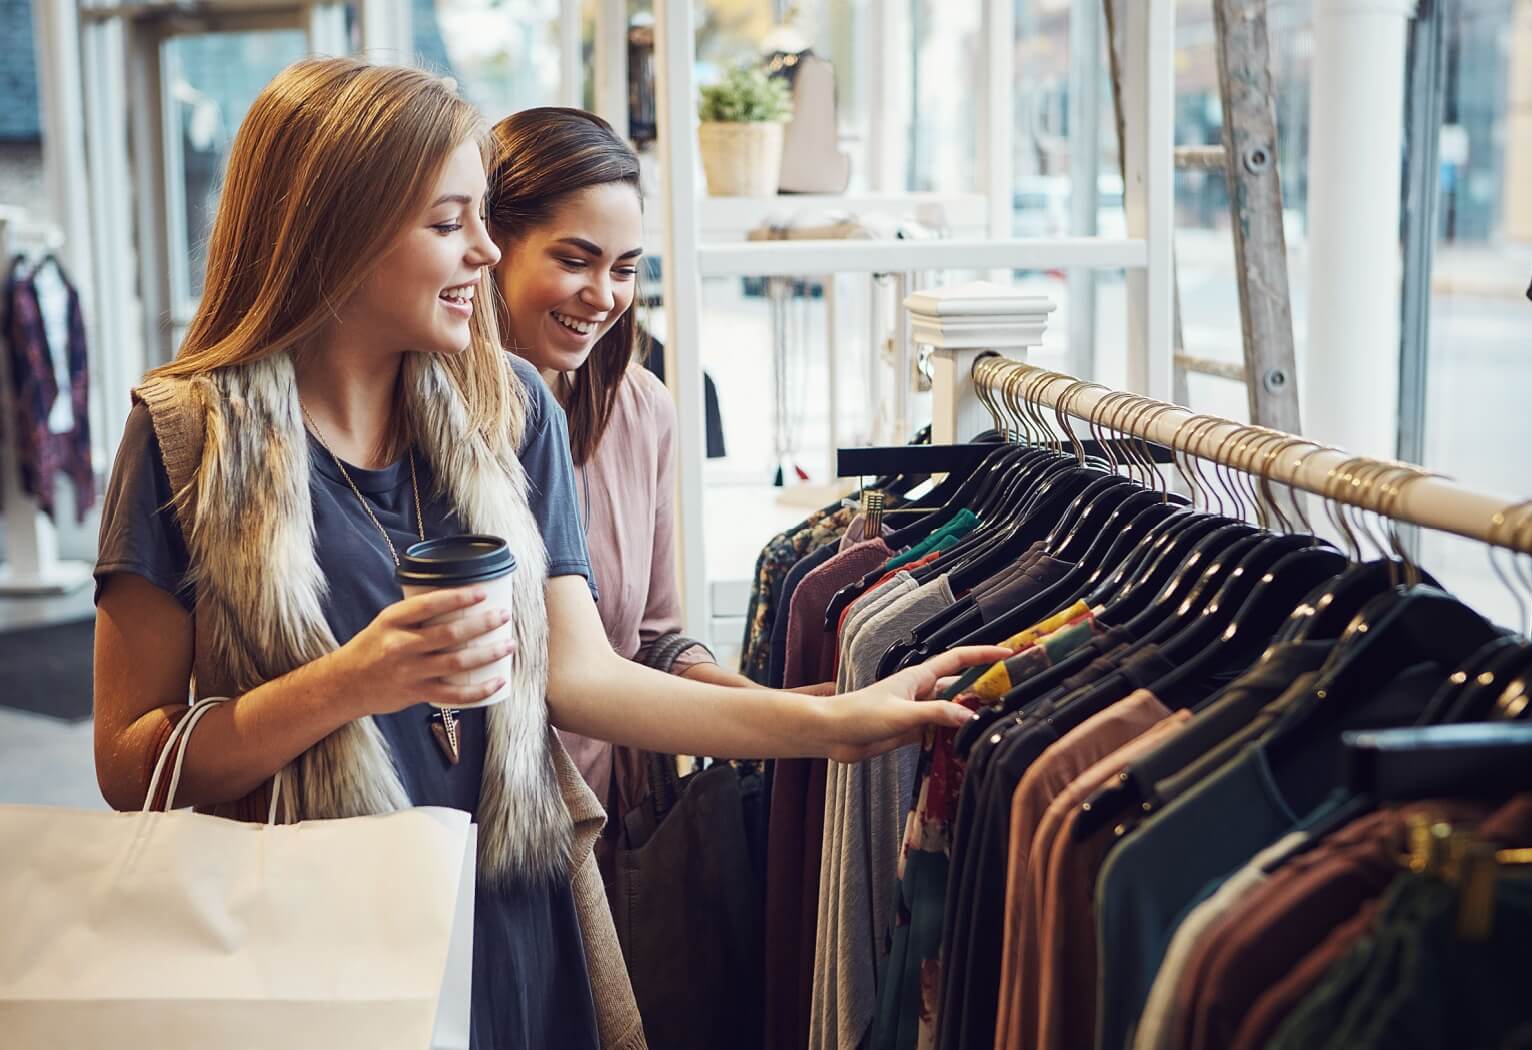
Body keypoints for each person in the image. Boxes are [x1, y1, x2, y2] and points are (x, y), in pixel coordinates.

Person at [91, 57, 997, 1050]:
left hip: (515, 915)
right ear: (335, 230)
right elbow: (132, 763)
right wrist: (353, 681)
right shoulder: (187, 438)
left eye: (482, 217)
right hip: (315, 938)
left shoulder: (509, 410)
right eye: (448, 223)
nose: (484, 251)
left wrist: (835, 721)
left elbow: (582, 677)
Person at [487, 106, 821, 813]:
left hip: (599, 824)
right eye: (574, 260)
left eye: (625, 269)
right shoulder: (425, 418)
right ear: (492, 244)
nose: (604, 296)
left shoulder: (641, 411)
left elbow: (654, 642)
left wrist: (787, 710)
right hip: (462, 832)